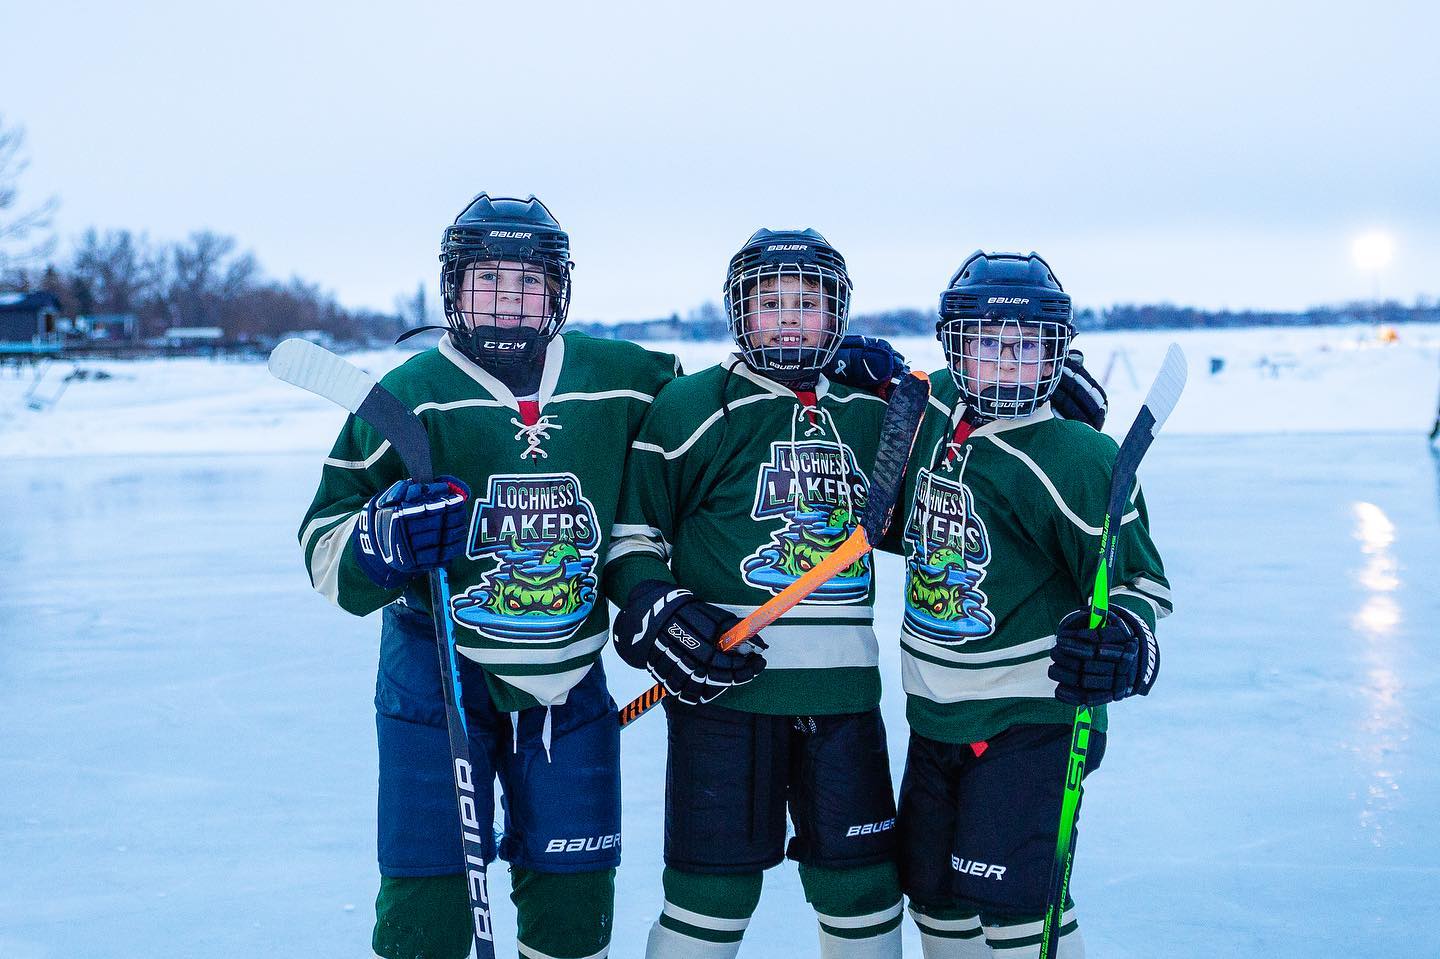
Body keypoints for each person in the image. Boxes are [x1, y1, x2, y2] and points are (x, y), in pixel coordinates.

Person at [297, 194, 679, 959]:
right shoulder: (407, 395)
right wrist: (382, 539)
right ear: (453, 288)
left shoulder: (628, 379)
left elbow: (718, 428)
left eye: (528, 281)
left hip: (568, 678)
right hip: (434, 677)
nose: (508, 299)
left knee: (574, 908)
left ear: (558, 290)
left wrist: (837, 376)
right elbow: (322, 541)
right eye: (488, 280)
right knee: (426, 907)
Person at [606, 228, 907, 958]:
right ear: (740, 312)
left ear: (838, 313)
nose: (789, 318)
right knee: (710, 895)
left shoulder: (870, 416)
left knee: (862, 891)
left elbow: (946, 508)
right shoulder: (691, 407)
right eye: (769, 301)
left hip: (843, 701)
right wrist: (655, 607)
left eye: (809, 302)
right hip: (724, 699)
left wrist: (913, 396)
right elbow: (631, 536)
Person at [887, 251, 1172, 958]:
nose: (1007, 361)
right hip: (935, 713)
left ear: (1057, 351)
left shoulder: (1079, 457)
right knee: (938, 906)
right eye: (987, 343)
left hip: (1032, 717)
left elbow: (1138, 584)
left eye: (1027, 345)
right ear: (956, 347)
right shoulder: (925, 414)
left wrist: (1128, 646)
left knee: (1017, 913)